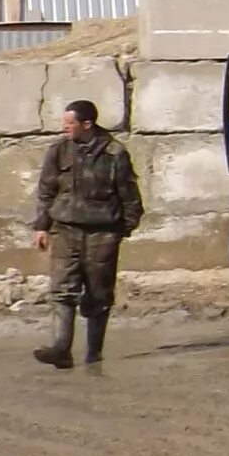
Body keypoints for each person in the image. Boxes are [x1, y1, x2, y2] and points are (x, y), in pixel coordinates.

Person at [31, 98, 144, 369]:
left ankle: (94, 354)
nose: (64, 128)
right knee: (62, 290)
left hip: (102, 235)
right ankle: (61, 349)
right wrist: (41, 227)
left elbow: (130, 196)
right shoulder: (59, 151)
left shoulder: (114, 153)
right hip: (65, 231)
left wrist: (122, 229)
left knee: (98, 294)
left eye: (70, 123)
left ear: (87, 124)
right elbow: (47, 191)